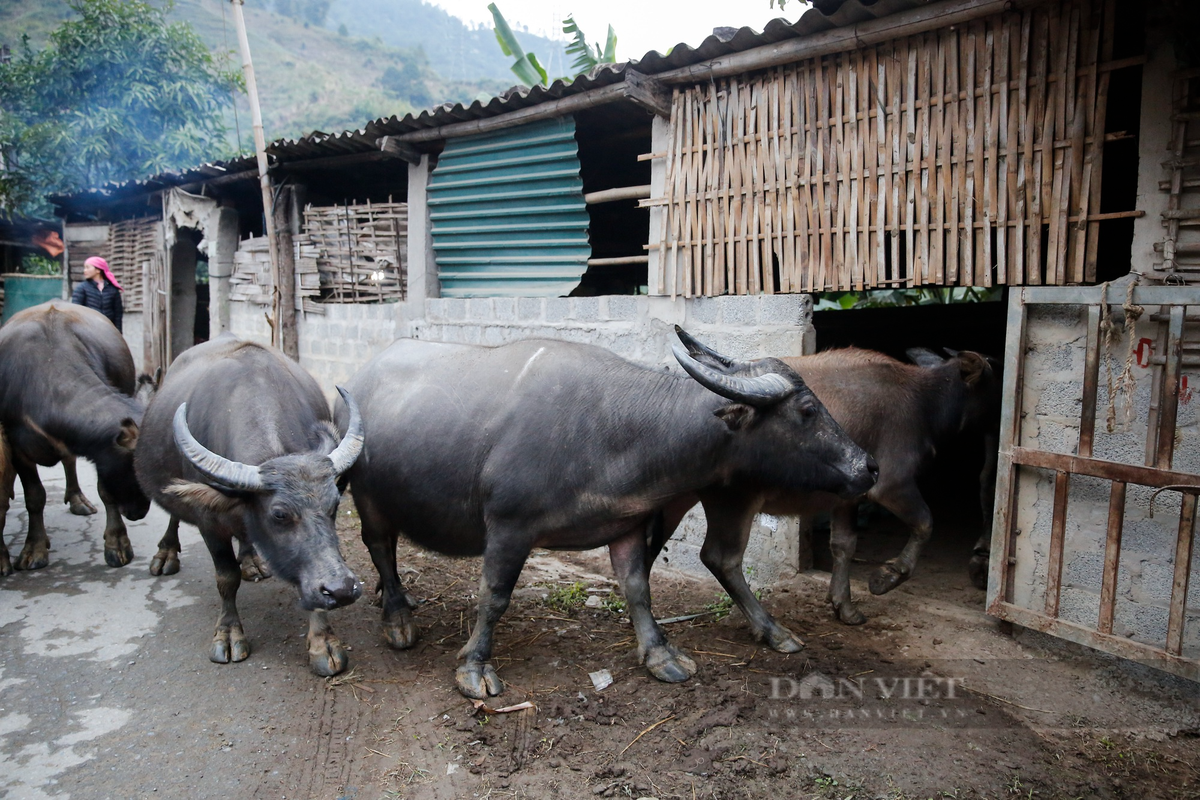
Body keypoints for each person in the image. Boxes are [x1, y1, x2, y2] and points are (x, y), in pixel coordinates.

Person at [71, 256, 124, 332]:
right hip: (89, 330)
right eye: (84, 268)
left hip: (109, 330)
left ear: (98, 270)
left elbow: (118, 314)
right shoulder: (81, 288)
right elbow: (76, 312)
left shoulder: (113, 290)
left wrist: (118, 332)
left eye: (87, 267)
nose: (84, 271)